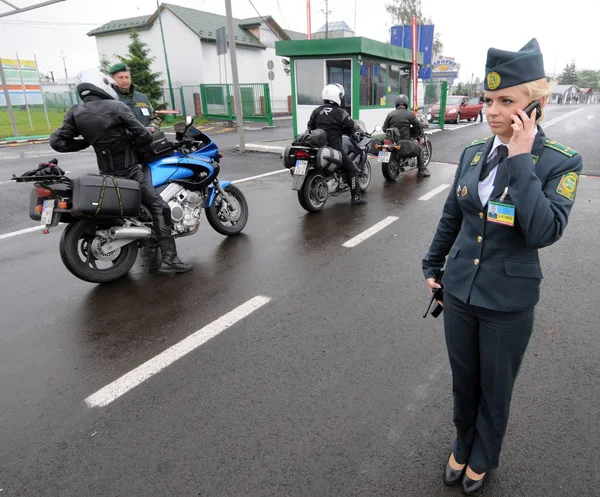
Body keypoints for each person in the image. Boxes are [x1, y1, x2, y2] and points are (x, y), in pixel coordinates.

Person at [422, 38, 583, 495]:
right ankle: (462, 440)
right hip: (459, 291)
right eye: (489, 99)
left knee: (495, 387)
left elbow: (542, 231)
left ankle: (484, 456)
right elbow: (452, 216)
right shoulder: (473, 154)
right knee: (464, 379)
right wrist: (433, 265)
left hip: (507, 302)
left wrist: (518, 157)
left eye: (506, 101)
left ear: (535, 105)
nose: (491, 110)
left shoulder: (560, 163)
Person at [49, 69, 192, 273]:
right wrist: (135, 139)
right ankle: (170, 259)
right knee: (160, 207)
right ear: (103, 84)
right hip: (130, 171)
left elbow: (58, 142)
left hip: (107, 173)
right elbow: (142, 135)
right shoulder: (117, 106)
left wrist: (87, 142)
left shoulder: (75, 112)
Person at [307, 84, 367, 205]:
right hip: (334, 147)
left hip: (317, 147)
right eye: (340, 96)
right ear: (336, 96)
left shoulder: (316, 111)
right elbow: (353, 126)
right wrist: (358, 132)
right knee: (353, 170)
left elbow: (310, 127)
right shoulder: (341, 112)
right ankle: (356, 198)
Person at [382, 94, 430, 177]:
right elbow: (418, 125)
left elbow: (384, 128)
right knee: (420, 150)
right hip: (405, 141)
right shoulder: (409, 114)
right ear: (406, 104)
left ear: (396, 103)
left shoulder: (390, 114)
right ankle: (421, 171)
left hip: (393, 140)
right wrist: (424, 123)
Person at [108, 63, 162, 131]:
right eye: (120, 77)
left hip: (147, 139)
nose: (125, 81)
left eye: (127, 77)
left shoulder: (142, 97)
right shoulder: (109, 98)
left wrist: (152, 128)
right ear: (112, 79)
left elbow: (155, 118)